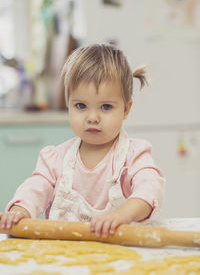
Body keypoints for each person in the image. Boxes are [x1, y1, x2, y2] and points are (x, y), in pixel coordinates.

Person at [0, 44, 165, 238]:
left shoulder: (133, 156)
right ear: (68, 105)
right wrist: (20, 209)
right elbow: (36, 188)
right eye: (81, 106)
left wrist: (122, 214)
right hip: (64, 257)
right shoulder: (56, 159)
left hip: (118, 258)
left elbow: (151, 188)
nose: (92, 117)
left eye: (105, 107)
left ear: (126, 109)